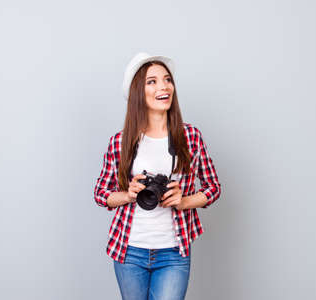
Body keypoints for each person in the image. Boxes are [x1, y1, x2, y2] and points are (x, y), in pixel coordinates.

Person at [93, 52, 221, 300]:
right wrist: (129, 194)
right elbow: (100, 194)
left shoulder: (190, 137)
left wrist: (183, 201)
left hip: (174, 251)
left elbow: (213, 187)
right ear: (137, 92)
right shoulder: (120, 142)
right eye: (152, 81)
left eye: (167, 80)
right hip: (130, 251)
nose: (163, 86)